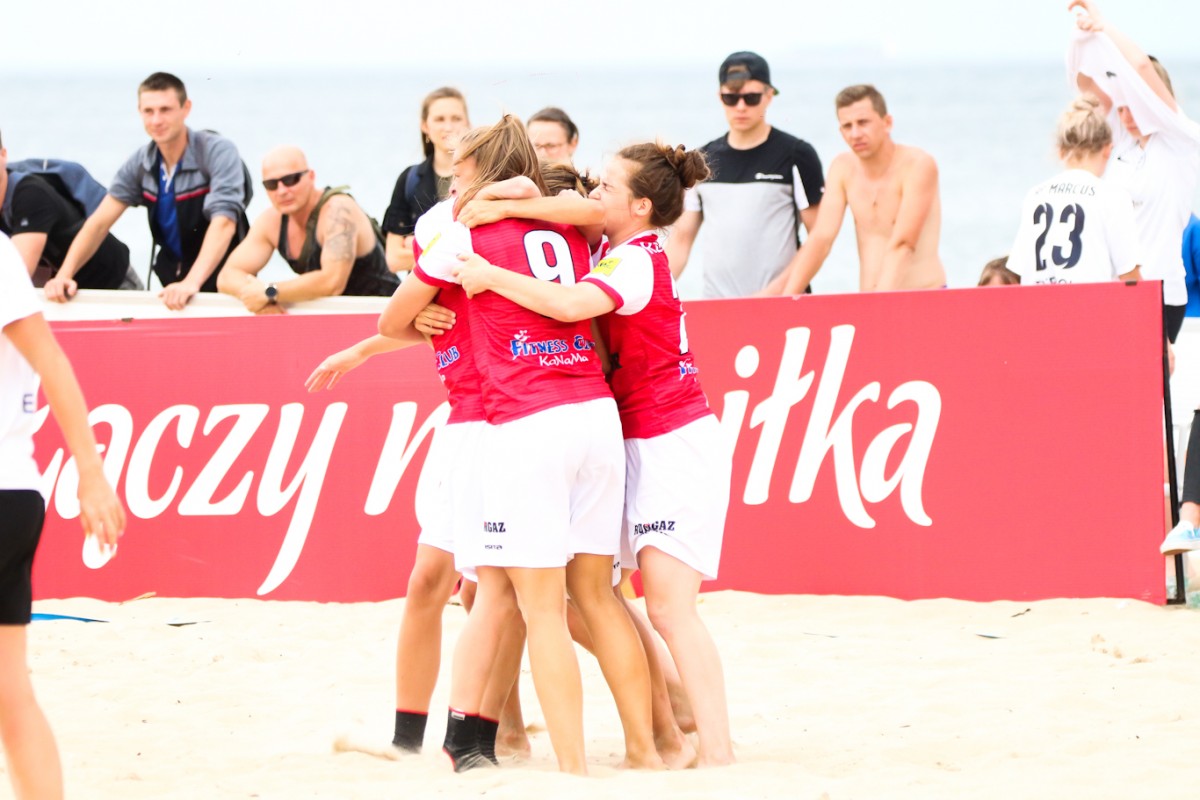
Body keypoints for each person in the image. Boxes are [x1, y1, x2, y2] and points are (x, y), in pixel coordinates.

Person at [381, 116, 657, 775]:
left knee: (528, 605)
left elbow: (391, 319)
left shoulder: (463, 231)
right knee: (598, 598)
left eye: (460, 168)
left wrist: (419, 317)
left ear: (483, 170)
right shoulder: (573, 226)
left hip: (523, 419)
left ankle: (558, 764)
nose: (452, 179)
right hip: (594, 412)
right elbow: (586, 209)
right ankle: (652, 748)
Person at [455, 140, 736, 766]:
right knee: (602, 596)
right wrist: (508, 200)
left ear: (640, 206)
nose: (592, 195)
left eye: (607, 188)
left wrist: (491, 274)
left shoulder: (634, 259)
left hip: (670, 438)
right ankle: (669, 723)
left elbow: (566, 304)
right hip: (627, 435)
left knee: (669, 607)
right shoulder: (610, 247)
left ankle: (716, 753)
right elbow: (562, 206)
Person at [0, 231, 126, 799]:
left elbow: (49, 356)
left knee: (11, 694)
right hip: (14, 493)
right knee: (10, 693)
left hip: (8, 489)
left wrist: (91, 473)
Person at [45, 72, 252, 310]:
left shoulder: (216, 151)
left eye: (165, 110)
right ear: (139, 111)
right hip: (174, 280)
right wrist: (64, 275)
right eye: (148, 111)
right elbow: (98, 223)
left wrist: (191, 283)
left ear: (186, 108)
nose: (156, 120)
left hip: (225, 280)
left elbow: (224, 222)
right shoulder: (142, 163)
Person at [1068, 0, 1200, 344]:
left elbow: (1140, 66)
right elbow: (1084, 82)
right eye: (1122, 106)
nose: (1126, 115)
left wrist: (1103, 25)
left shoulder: (1181, 141)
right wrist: (1081, 35)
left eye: (1133, 105)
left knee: (1152, 379)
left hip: (1161, 292)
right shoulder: (1122, 143)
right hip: (1116, 290)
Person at [664, 51, 825, 298]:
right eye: (731, 97)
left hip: (782, 302)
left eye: (751, 97)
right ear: (720, 97)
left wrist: (775, 294)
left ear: (769, 96)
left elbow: (820, 239)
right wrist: (652, 294)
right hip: (718, 305)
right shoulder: (702, 161)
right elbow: (680, 242)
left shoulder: (797, 155)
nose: (741, 107)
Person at [777, 84, 946, 294]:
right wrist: (787, 298)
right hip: (871, 298)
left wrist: (878, 305)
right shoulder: (842, 168)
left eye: (863, 123)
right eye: (847, 126)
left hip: (925, 296)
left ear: (887, 123)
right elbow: (821, 239)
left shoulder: (917, 165)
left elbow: (904, 244)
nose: (855, 133)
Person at [215, 146, 398, 311]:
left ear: (311, 177)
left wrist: (270, 292)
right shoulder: (271, 221)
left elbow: (332, 281)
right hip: (333, 316)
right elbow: (226, 276)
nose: (282, 191)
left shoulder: (338, 210)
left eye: (290, 180)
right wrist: (260, 299)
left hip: (383, 313)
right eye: (271, 185)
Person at [1005, 96, 1141, 286]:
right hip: (1089, 302)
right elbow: (1130, 275)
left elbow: (1019, 270)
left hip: (1040, 303)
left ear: (1061, 151)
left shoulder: (1035, 195)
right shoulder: (1114, 197)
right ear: (1107, 149)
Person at [0, 133, 138, 291]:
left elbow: (15, 278)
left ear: (3, 155)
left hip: (111, 283)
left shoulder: (30, 194)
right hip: (54, 291)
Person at [381, 87, 470, 276]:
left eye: (456, 118)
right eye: (439, 119)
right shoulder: (409, 180)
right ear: (425, 126)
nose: (449, 127)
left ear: (467, 123)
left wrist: (416, 245)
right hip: (424, 292)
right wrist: (455, 252)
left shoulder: (485, 176)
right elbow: (394, 259)